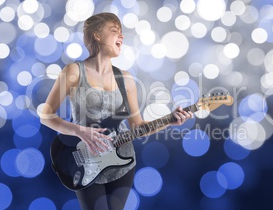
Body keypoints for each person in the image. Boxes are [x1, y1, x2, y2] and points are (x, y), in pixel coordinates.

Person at [40, 12, 193, 210]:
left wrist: (169, 121)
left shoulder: (126, 79)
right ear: (96, 35)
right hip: (85, 159)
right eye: (114, 31)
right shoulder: (74, 72)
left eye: (122, 32)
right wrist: (80, 131)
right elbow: (46, 115)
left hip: (122, 163)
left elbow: (137, 126)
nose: (121, 36)